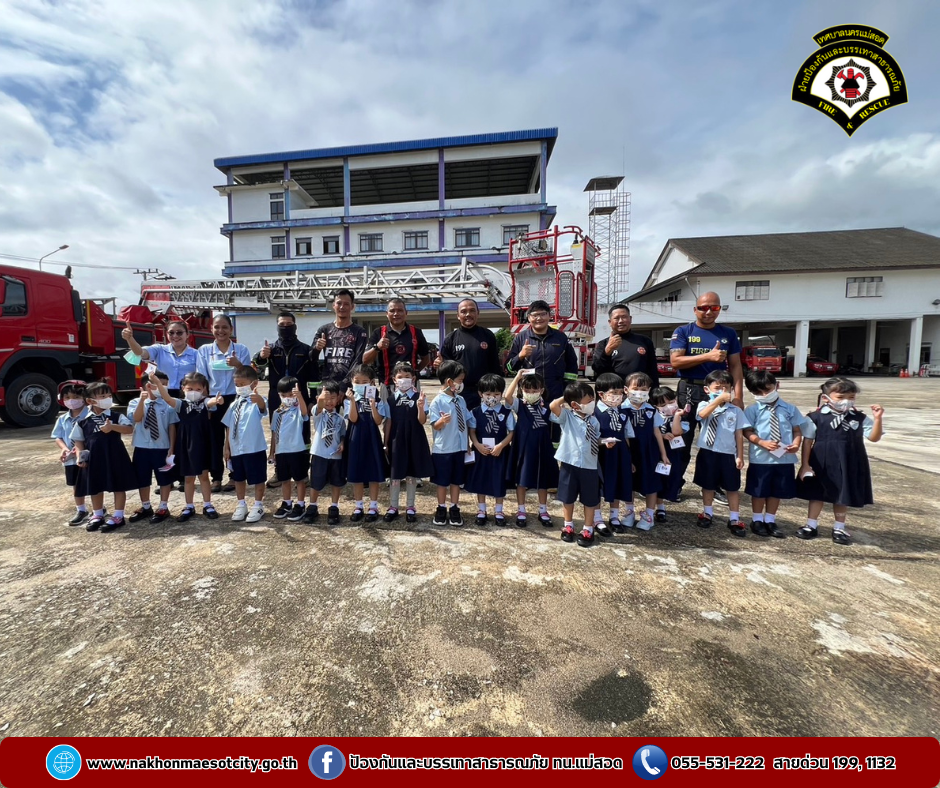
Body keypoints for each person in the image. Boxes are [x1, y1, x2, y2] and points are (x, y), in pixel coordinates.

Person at [669, 291, 743, 503]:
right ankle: (675, 484)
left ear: (720, 309)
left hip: (719, 393)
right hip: (689, 390)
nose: (708, 312)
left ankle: (714, 486)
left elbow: (736, 367)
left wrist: (738, 396)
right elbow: (675, 361)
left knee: (719, 440)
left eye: (714, 307)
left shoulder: (728, 333)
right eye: (703, 308)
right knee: (682, 439)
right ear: (695, 309)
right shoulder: (683, 331)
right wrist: (708, 356)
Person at [795, 377, 884, 545]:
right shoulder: (815, 417)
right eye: (840, 397)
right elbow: (807, 441)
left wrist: (878, 419)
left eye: (851, 397)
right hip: (821, 462)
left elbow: (874, 437)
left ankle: (839, 527)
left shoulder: (859, 418)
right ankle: (811, 524)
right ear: (825, 398)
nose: (846, 401)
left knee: (843, 495)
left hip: (849, 461)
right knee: (817, 494)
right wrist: (805, 465)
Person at [742, 371, 811, 539]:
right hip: (761, 458)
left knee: (776, 491)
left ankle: (770, 520)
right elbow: (747, 431)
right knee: (759, 491)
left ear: (776, 385)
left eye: (767, 390)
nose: (764, 395)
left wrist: (796, 444)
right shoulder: (753, 410)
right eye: (758, 392)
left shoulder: (790, 409)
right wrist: (761, 442)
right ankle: (757, 519)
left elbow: (797, 430)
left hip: (784, 459)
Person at [71, 380, 138, 533]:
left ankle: (118, 515)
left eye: (109, 395)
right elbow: (78, 440)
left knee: (118, 485)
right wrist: (80, 456)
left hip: (115, 455)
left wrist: (112, 427)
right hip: (94, 458)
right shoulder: (83, 421)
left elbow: (129, 429)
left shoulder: (116, 416)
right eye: (102, 396)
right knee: (95, 485)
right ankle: (97, 514)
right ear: (90, 401)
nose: (107, 398)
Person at [152, 372, 220, 522]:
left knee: (204, 476)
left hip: (203, 442)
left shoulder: (204, 402)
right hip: (186, 443)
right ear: (183, 388)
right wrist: (157, 383)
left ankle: (208, 505)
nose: (194, 392)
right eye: (190, 389)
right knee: (188, 477)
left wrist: (217, 400)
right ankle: (189, 506)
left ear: (204, 389)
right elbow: (167, 398)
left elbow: (211, 402)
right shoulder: (180, 403)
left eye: (198, 389)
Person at [196, 314, 252, 493]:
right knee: (214, 439)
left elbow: (249, 376)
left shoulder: (241, 349)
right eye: (217, 327)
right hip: (214, 398)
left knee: (235, 438)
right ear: (211, 329)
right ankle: (216, 477)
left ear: (231, 329)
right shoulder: (204, 350)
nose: (221, 331)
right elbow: (201, 378)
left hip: (236, 397)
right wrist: (207, 402)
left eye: (225, 327)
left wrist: (238, 365)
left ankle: (235, 475)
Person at [694, 370, 749, 535]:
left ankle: (734, 518)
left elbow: (738, 434)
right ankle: (707, 513)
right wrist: (717, 400)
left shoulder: (735, 411)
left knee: (732, 487)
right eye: (717, 388)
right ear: (707, 390)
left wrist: (740, 456)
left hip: (728, 454)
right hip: (708, 452)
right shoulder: (704, 405)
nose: (722, 391)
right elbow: (702, 415)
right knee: (707, 484)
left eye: (726, 388)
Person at [549, 381, 601, 547]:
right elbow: (553, 406)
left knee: (590, 499)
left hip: (589, 465)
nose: (592, 403)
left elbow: (595, 439)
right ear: (575, 404)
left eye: (592, 399)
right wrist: (567, 397)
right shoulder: (567, 417)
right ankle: (568, 525)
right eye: (588, 400)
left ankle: (588, 529)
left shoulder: (594, 421)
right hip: (569, 464)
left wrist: (604, 442)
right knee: (568, 497)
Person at [123, 371, 179, 525]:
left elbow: (172, 426)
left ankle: (163, 506)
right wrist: (142, 401)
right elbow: (136, 418)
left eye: (165, 384)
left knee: (164, 478)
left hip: (162, 447)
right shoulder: (135, 402)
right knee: (142, 478)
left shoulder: (168, 403)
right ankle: (146, 506)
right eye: (160, 384)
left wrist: (172, 447)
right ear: (148, 386)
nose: (163, 387)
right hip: (142, 447)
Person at [253, 310, 316, 443]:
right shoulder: (270, 349)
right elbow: (257, 363)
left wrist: (312, 400)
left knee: (302, 431)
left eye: (289, 324)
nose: (285, 327)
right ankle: (278, 454)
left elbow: (313, 377)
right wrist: (261, 356)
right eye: (282, 324)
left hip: (300, 397)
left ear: (295, 326)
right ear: (277, 327)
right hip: (277, 398)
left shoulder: (305, 350)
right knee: (278, 430)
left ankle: (303, 455)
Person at [504, 370, 557, 527]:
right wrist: (517, 378)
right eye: (527, 390)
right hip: (523, 446)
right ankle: (521, 510)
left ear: (542, 390)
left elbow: (560, 416)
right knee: (521, 478)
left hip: (543, 446)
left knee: (543, 479)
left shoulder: (547, 407)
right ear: (522, 390)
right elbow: (507, 397)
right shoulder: (520, 405)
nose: (531, 393)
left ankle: (543, 510)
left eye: (535, 390)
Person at [429, 360, 475, 527]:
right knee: (442, 481)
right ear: (449, 381)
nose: (461, 383)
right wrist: (442, 421)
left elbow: (468, 420)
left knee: (457, 480)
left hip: (459, 448)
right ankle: (441, 507)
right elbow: (435, 425)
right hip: (443, 449)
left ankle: (454, 507)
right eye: (460, 380)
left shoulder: (460, 400)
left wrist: (468, 442)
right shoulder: (437, 401)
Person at [623, 372, 670, 531]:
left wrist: (663, 454)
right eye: (635, 388)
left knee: (651, 482)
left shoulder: (651, 410)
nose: (639, 392)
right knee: (629, 481)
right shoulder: (621, 409)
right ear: (626, 390)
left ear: (649, 390)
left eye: (643, 389)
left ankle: (649, 515)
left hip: (649, 452)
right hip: (630, 451)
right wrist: (627, 456)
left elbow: (657, 432)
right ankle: (629, 511)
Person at [385, 362, 431, 523]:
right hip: (396, 439)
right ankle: (393, 506)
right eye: (400, 377)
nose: (403, 380)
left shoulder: (420, 397)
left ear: (413, 379)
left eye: (407, 377)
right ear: (394, 380)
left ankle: (410, 506)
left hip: (415, 438)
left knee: (412, 473)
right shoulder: (390, 399)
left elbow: (422, 420)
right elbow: (388, 422)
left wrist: (420, 407)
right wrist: (386, 442)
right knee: (395, 474)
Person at [505, 299, 579, 402]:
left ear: (549, 315)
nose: (539, 318)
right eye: (535, 315)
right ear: (529, 317)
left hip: (555, 395)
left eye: (543, 314)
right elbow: (509, 368)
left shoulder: (561, 337)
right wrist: (520, 356)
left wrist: (566, 389)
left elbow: (572, 365)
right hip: (529, 395)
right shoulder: (520, 338)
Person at [467, 374, 515, 525]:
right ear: (480, 394)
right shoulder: (475, 412)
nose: (492, 397)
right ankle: (482, 510)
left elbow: (512, 432)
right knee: (481, 480)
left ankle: (499, 511)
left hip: (500, 452)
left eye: (496, 394)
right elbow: (472, 431)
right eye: (488, 394)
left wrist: (501, 446)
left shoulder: (506, 412)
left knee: (498, 480)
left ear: (501, 393)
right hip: (481, 452)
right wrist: (477, 444)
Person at [222, 366, 268, 523]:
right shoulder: (234, 404)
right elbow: (229, 426)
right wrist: (227, 446)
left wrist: (259, 399)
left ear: (254, 383)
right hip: (236, 448)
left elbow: (263, 408)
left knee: (258, 477)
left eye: (242, 384)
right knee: (238, 477)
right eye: (237, 384)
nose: (239, 387)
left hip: (253, 448)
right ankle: (241, 504)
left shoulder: (256, 401)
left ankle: (258, 504)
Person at [344, 364, 390, 523]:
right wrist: (352, 401)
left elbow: (378, 421)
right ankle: (358, 506)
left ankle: (373, 506)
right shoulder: (349, 399)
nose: (360, 384)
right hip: (355, 436)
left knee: (373, 471)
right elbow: (353, 419)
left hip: (372, 436)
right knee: (356, 472)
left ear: (371, 382)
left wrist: (372, 405)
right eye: (357, 381)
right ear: (352, 381)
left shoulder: (377, 399)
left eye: (364, 382)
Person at [438, 299, 502, 411]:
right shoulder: (450, 339)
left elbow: (495, 365)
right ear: (458, 315)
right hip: (460, 392)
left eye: (472, 310)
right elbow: (446, 370)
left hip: (484, 391)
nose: (468, 314)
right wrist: (439, 364)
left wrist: (497, 388)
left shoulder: (488, 335)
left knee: (485, 422)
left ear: (478, 313)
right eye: (463, 311)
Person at [593, 373, 634, 537]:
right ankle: (597, 518)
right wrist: (602, 442)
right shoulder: (594, 412)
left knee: (617, 482)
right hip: (600, 454)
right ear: (601, 394)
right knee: (597, 485)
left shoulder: (624, 412)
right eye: (614, 393)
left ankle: (614, 516)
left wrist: (629, 458)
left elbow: (626, 436)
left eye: (620, 393)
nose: (618, 396)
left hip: (620, 453)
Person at [363, 298, 430, 391]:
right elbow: (365, 360)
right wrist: (377, 347)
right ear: (387, 314)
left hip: (411, 385)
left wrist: (414, 371)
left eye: (400, 310)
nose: (396, 314)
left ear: (406, 313)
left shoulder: (416, 332)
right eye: (392, 311)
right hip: (387, 385)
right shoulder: (378, 333)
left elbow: (426, 359)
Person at [305, 380, 347, 525]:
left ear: (338, 399)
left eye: (333, 398)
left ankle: (334, 507)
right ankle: (313, 506)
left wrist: (342, 443)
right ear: (319, 399)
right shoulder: (318, 414)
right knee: (316, 482)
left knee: (336, 482)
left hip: (335, 455)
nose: (329, 402)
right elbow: (318, 407)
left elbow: (342, 434)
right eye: (325, 399)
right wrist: (321, 399)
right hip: (319, 454)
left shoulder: (340, 418)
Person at [269, 378, 310, 522]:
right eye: (283, 395)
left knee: (299, 479)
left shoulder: (298, 409)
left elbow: (305, 413)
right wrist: (272, 452)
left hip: (297, 450)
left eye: (290, 395)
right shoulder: (277, 412)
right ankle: (287, 503)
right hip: (281, 451)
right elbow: (274, 433)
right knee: (284, 479)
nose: (287, 398)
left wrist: (299, 397)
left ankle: (300, 504)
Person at [122, 319, 198, 395]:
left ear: (187, 334)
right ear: (167, 334)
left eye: (179, 333)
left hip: (186, 395)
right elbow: (140, 352)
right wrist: (130, 339)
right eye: (171, 333)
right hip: (162, 394)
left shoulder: (197, 354)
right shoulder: (159, 349)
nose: (175, 336)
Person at [591, 304, 659, 388]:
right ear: (610, 322)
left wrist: (655, 391)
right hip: (614, 391)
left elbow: (653, 370)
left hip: (638, 390)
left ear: (630, 319)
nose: (621, 321)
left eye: (624, 317)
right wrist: (607, 352)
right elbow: (597, 369)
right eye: (616, 318)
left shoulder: (644, 341)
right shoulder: (603, 344)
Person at [311, 289, 367, 388]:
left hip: (350, 386)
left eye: (346, 304)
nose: (342, 307)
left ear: (352, 306)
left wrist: (344, 384)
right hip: (327, 384)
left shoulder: (359, 332)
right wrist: (317, 348)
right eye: (339, 303)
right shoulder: (324, 330)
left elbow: (358, 361)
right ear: (333, 305)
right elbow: (311, 357)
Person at [52, 380, 89, 526]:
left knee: (92, 482)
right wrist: (64, 448)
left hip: (87, 455)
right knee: (75, 484)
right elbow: (57, 436)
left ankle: (99, 509)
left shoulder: (90, 415)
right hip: (71, 459)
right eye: (67, 398)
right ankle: (81, 510)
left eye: (76, 397)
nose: (71, 400)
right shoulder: (63, 419)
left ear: (85, 398)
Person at [649, 386, 689, 522]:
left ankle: (661, 505)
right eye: (662, 405)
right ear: (656, 406)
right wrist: (662, 435)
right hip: (656, 453)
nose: (668, 406)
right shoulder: (653, 416)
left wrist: (677, 416)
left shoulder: (682, 417)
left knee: (669, 479)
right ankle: (654, 508)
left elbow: (677, 432)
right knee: (655, 479)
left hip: (672, 453)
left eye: (671, 402)